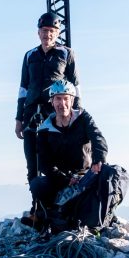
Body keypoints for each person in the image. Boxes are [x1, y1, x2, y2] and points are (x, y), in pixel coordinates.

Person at [15, 12, 81, 221]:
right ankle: (37, 208)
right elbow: (23, 88)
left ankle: (58, 206)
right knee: (32, 162)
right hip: (31, 114)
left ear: (57, 33)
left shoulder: (66, 53)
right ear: (38, 32)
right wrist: (19, 118)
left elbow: (75, 86)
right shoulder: (29, 56)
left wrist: (76, 113)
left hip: (55, 113)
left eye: (52, 31)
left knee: (55, 161)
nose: (47, 35)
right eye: (44, 31)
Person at [29, 80, 108, 231]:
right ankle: (53, 214)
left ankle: (96, 215)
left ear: (72, 100)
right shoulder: (45, 129)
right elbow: (44, 162)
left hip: (85, 174)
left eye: (66, 98)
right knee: (37, 184)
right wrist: (64, 179)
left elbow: (98, 138)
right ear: (51, 101)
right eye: (58, 98)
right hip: (61, 178)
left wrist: (98, 159)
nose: (62, 103)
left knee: (105, 177)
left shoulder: (83, 118)